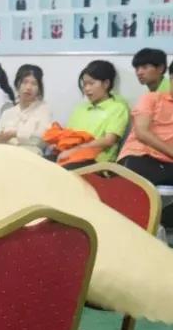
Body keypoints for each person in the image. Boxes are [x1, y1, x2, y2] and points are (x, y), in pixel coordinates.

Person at [47, 60, 130, 168]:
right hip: (69, 155)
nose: (86, 89)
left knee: (59, 171)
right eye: (84, 84)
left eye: (91, 83)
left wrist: (75, 150)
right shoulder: (80, 108)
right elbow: (69, 135)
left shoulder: (118, 108)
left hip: (95, 162)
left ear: (106, 84)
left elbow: (109, 140)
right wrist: (59, 145)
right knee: (38, 164)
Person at [119, 64, 173, 227]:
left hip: (168, 164)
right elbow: (142, 132)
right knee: (135, 182)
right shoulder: (152, 98)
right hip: (141, 156)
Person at [0, 64, 53, 154]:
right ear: (17, 85)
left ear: (39, 89)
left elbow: (41, 140)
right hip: (4, 154)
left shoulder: (44, 110)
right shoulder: (8, 112)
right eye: (25, 82)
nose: (28, 87)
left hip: (30, 156)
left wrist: (14, 134)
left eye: (34, 84)